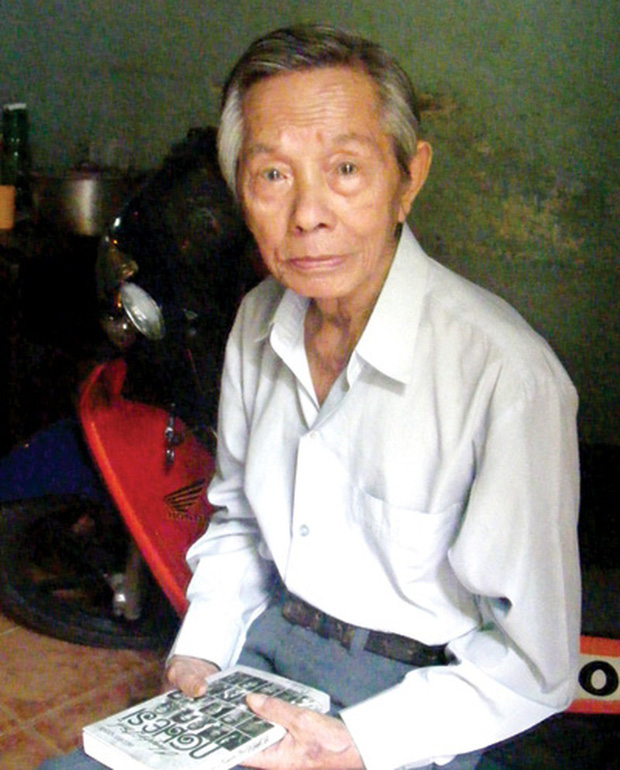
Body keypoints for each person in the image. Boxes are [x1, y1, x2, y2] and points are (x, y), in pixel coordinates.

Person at [39, 23, 580, 770]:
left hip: (414, 701)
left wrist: (358, 744)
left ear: (409, 179)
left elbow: (536, 666)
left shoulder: (505, 377)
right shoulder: (258, 321)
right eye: (273, 175)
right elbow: (239, 521)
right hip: (259, 660)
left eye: (346, 169)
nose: (307, 214)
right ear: (240, 191)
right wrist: (201, 650)